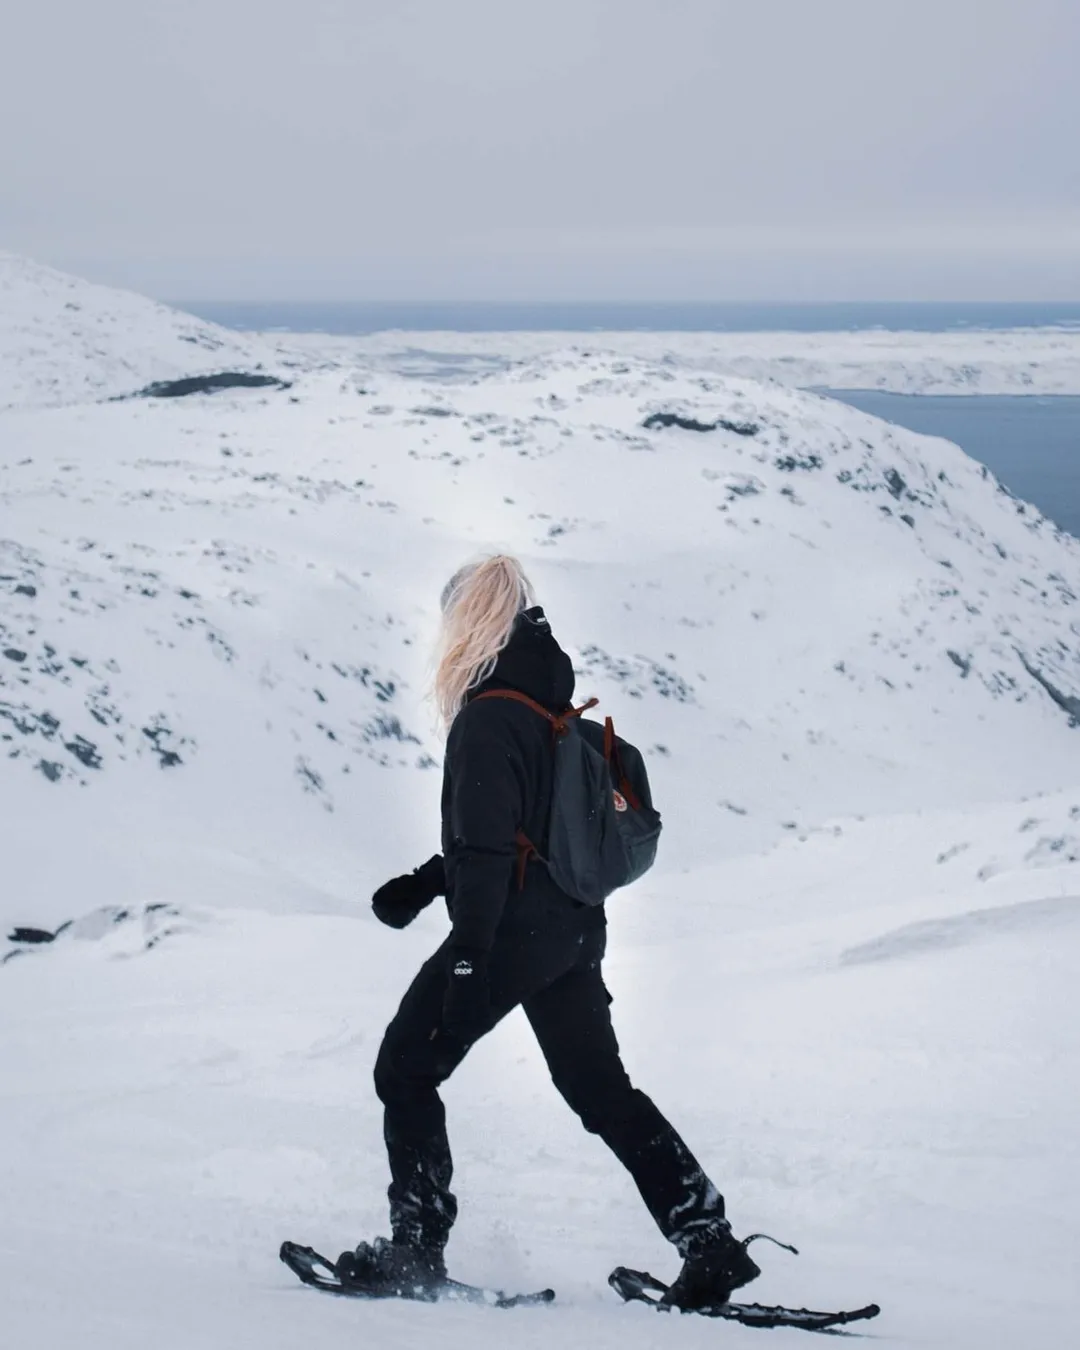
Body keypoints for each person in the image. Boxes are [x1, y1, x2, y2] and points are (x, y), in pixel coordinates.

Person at [340, 553, 761, 1309]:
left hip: (510, 931)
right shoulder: (547, 704)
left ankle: (416, 1246)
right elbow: (508, 834)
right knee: (600, 1089)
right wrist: (423, 884)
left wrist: (469, 954)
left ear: (469, 622)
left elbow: (492, 849)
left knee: (404, 1067)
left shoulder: (487, 715)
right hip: (572, 929)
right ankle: (710, 1244)